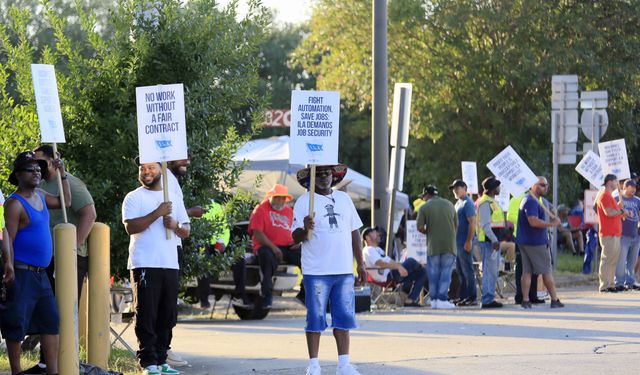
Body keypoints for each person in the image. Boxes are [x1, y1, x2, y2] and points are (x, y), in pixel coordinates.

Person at [18, 145, 98, 374]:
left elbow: (89, 213)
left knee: (63, 309)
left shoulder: (70, 182)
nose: (38, 167)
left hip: (70, 257)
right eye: (34, 163)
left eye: (41, 162)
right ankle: (47, 363)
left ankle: (68, 361)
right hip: (47, 258)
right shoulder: (39, 184)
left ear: (54, 161)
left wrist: (73, 247)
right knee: (47, 310)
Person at [291, 164, 365, 375]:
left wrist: (360, 263)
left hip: (343, 269)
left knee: (344, 317)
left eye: (327, 173)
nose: (324, 177)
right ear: (311, 179)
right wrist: (305, 229)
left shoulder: (344, 199)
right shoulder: (304, 201)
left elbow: (354, 233)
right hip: (316, 270)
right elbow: (294, 237)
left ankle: (344, 364)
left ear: (334, 176)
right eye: (319, 174)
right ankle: (314, 365)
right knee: (315, 317)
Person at [2, 151, 71, 375]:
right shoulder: (14, 204)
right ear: (18, 175)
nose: (37, 172)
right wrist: (9, 266)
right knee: (16, 325)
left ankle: (53, 371)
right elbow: (8, 240)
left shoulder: (40, 194)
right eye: (30, 169)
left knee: (51, 322)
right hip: (22, 273)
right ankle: (16, 371)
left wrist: (62, 173)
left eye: (39, 168)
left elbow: (65, 202)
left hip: (42, 274)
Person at [122, 161, 190, 375]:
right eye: (142, 168)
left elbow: (186, 229)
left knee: (167, 314)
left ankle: (162, 359)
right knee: (147, 313)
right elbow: (130, 227)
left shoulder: (174, 198)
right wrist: (157, 213)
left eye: (151, 167)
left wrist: (175, 226)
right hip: (144, 263)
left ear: (162, 170)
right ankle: (148, 362)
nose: (146, 172)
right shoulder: (133, 197)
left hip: (169, 263)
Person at [164, 157, 205, 367]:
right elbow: (166, 214)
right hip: (166, 248)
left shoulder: (171, 178)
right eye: (183, 156)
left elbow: (174, 214)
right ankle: (162, 351)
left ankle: (164, 348)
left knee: (169, 302)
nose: (187, 161)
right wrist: (191, 212)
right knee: (165, 303)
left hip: (174, 245)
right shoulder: (164, 177)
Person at [248, 184, 302, 309]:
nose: (279, 200)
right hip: (265, 246)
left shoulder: (289, 211)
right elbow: (257, 233)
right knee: (266, 258)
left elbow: (294, 229)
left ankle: (304, 291)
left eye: (282, 198)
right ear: (270, 197)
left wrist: (296, 241)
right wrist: (274, 248)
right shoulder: (260, 209)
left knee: (306, 257)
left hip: (286, 246)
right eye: (276, 197)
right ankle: (266, 295)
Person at [516, 177, 564, 309]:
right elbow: (533, 221)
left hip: (526, 240)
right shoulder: (531, 201)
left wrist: (553, 211)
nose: (546, 188)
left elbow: (550, 207)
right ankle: (554, 299)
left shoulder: (536, 199)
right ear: (533, 185)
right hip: (535, 242)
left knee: (527, 271)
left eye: (547, 185)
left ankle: (525, 300)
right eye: (542, 185)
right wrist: (551, 224)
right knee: (546, 271)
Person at [361, 227, 427, 307]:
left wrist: (400, 265)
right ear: (367, 238)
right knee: (411, 261)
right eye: (374, 233)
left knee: (423, 272)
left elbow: (390, 261)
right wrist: (399, 267)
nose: (378, 234)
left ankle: (410, 300)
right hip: (387, 277)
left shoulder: (377, 249)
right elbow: (380, 263)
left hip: (393, 274)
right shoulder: (368, 250)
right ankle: (405, 290)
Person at [416, 185, 457, 310]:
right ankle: (442, 299)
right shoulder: (450, 204)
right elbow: (456, 225)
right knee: (446, 272)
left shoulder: (424, 207)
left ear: (426, 195)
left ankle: (434, 300)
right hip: (449, 245)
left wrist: (429, 231)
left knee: (433, 273)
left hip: (433, 245)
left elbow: (419, 227)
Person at [476, 177, 505, 309]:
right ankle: (487, 300)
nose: (500, 189)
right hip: (489, 243)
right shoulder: (485, 203)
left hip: (493, 242)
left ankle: (489, 297)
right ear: (493, 189)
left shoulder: (491, 201)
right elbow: (486, 226)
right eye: (498, 186)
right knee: (489, 271)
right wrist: (494, 240)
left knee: (492, 271)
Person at [596, 174, 627, 293]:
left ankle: (610, 284)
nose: (617, 183)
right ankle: (604, 285)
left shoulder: (609, 196)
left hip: (615, 233)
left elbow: (614, 211)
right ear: (610, 182)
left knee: (613, 260)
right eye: (616, 181)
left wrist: (620, 209)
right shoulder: (604, 195)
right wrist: (621, 210)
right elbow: (608, 212)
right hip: (608, 233)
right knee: (607, 259)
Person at [449, 180, 477, 306]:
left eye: (458, 187)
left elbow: (472, 223)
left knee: (467, 270)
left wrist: (469, 241)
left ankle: (472, 298)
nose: (455, 190)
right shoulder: (458, 203)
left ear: (465, 188)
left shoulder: (468, 203)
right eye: (454, 188)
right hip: (458, 243)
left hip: (464, 242)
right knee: (460, 271)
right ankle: (463, 296)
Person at [615, 179, 640, 290]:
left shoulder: (637, 200)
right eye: (631, 187)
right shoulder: (618, 198)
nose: (634, 189)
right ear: (625, 187)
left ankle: (630, 281)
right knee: (621, 260)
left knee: (632, 260)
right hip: (623, 234)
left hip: (635, 234)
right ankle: (619, 282)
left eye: (635, 187)